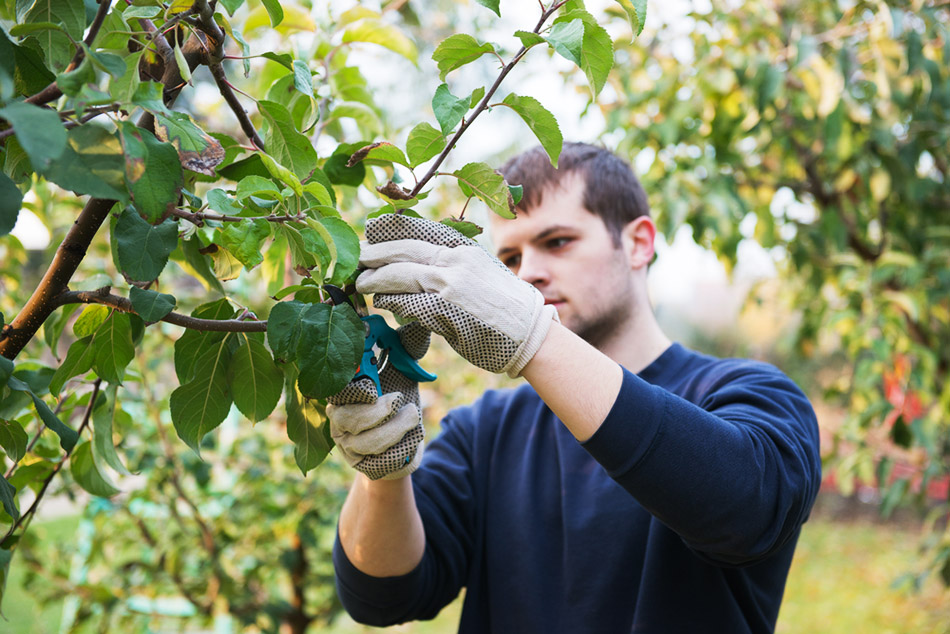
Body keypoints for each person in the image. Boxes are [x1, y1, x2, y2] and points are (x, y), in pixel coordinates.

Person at [327, 142, 822, 633]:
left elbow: (747, 512)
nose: (529, 273)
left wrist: (534, 337)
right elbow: (382, 596)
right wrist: (383, 472)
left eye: (558, 241)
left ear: (638, 243)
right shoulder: (485, 431)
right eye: (510, 257)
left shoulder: (752, 394)